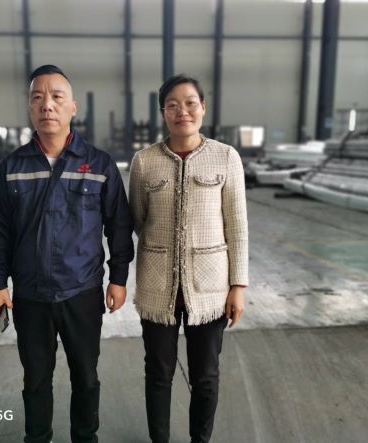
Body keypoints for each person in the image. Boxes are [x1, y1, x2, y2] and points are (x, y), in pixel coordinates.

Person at [0, 64, 134, 443]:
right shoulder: (12, 167)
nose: (47, 105)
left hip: (81, 292)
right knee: (35, 379)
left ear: (73, 107)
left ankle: (86, 437)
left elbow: (118, 224)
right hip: (31, 295)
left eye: (56, 97)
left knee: (86, 376)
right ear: (30, 108)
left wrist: (118, 277)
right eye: (38, 98)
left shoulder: (99, 164)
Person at [129, 74, 248, 443]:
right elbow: (137, 219)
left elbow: (237, 225)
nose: (183, 111)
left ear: (203, 108)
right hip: (157, 287)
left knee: (205, 375)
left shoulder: (226, 157)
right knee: (158, 373)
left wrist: (238, 285)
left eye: (190, 103)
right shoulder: (145, 162)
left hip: (211, 289)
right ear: (163, 112)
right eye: (173, 105)